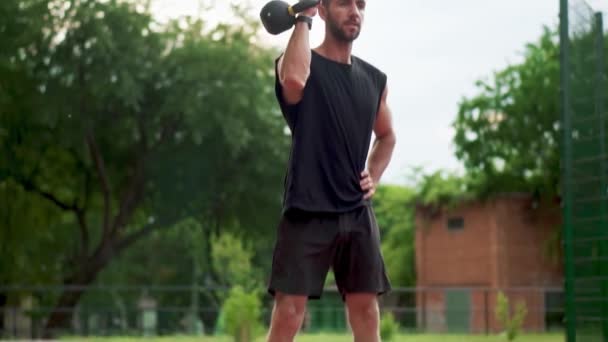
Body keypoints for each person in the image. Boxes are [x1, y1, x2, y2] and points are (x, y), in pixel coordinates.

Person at [266, 0, 396, 341]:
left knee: (366, 310)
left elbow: (387, 137)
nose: (355, 11)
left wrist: (375, 174)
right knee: (290, 311)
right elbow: (294, 79)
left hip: (357, 211)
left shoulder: (374, 79)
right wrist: (302, 19)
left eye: (361, 4)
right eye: (343, 4)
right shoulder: (300, 64)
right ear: (322, 11)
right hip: (307, 208)